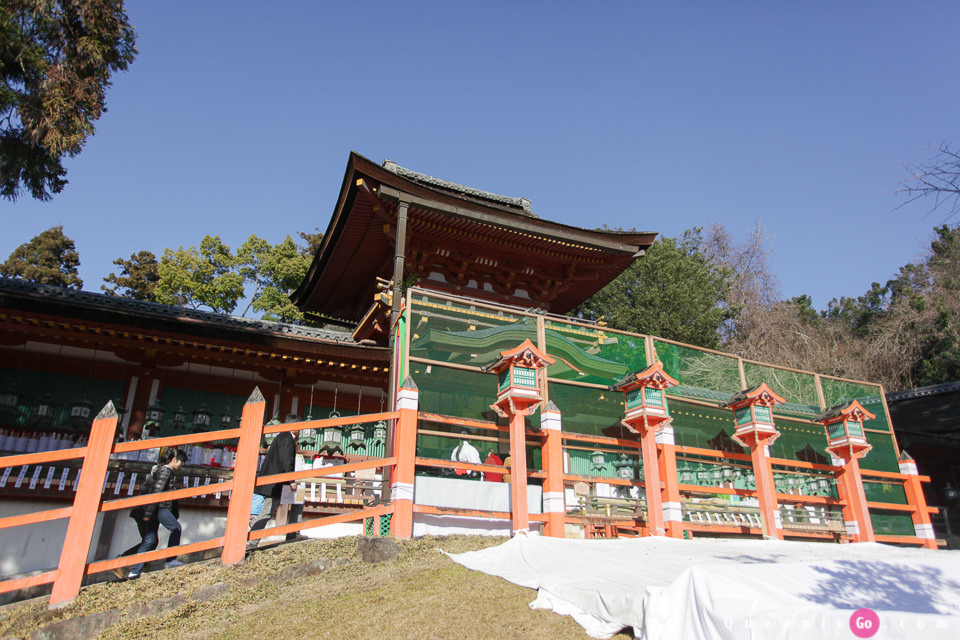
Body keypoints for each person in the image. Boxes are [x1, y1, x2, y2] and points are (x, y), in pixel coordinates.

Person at [127, 448, 187, 579]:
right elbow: (157, 491)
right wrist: (148, 513)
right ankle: (170, 559)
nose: (182, 464)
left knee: (150, 540)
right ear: (174, 460)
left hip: (153, 508)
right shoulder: (166, 471)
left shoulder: (160, 470)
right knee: (176, 528)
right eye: (181, 461)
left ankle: (134, 571)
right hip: (159, 507)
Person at [248, 414, 300, 551]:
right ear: (294, 426)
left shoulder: (282, 437)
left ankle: (293, 532)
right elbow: (286, 461)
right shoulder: (286, 438)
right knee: (267, 511)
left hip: (274, 482)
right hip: (276, 483)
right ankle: (252, 541)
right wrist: (291, 480)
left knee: (297, 500)